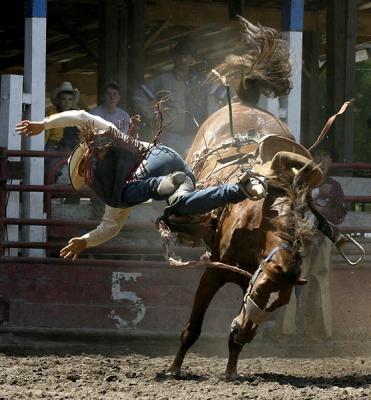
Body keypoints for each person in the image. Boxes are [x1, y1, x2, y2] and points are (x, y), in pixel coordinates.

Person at [16, 110, 267, 261]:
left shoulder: (106, 147)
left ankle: (162, 185)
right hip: (173, 164)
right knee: (181, 206)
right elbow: (109, 227)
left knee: (124, 198)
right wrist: (85, 240)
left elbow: (81, 116)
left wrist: (45, 123)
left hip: (153, 160)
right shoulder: (113, 188)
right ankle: (241, 188)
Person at [280, 148, 347, 341]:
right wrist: (316, 196)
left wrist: (319, 210)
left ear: (331, 161)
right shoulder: (303, 183)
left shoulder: (334, 186)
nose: (320, 160)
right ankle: (286, 332)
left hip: (323, 239)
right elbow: (294, 205)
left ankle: (319, 331)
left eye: (325, 156)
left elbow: (340, 214)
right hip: (301, 238)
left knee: (320, 285)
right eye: (317, 156)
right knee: (293, 282)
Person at [133, 38, 209, 156]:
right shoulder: (164, 79)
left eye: (186, 56)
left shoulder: (200, 81)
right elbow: (139, 95)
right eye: (179, 56)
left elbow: (218, 94)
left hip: (195, 136)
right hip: (171, 136)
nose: (182, 60)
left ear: (192, 60)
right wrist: (152, 117)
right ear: (174, 58)